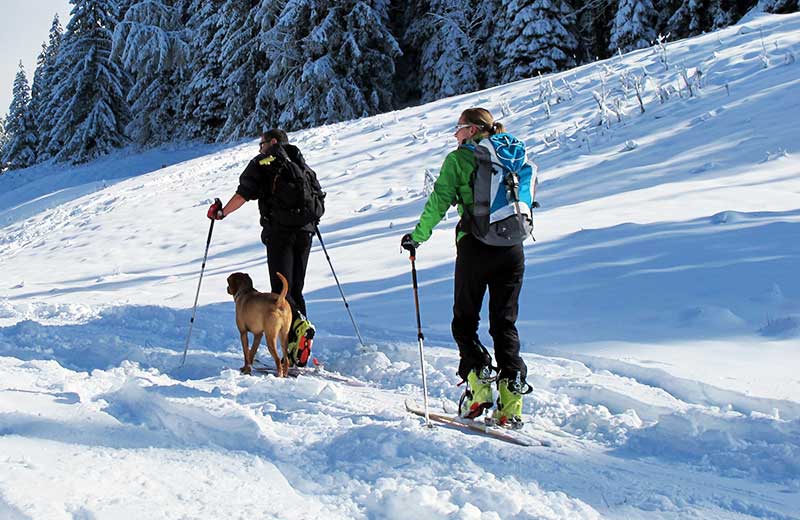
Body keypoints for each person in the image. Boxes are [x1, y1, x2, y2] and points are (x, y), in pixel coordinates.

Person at [401, 108, 533, 428]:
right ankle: (511, 401)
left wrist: (416, 238)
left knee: (464, 321)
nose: (456, 135)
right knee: (504, 323)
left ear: (472, 130)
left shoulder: (459, 160)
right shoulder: (511, 156)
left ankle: (479, 388)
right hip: (513, 247)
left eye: (459, 129)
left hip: (475, 247)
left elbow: (439, 201)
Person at [209, 128, 322, 367]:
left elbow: (244, 193)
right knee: (295, 289)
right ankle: (298, 345)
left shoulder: (265, 162)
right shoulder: (300, 162)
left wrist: (222, 213)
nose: (259, 148)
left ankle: (291, 349)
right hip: (305, 232)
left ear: (272, 142)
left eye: (261, 144)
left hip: (280, 233)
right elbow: (316, 197)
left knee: (281, 289)